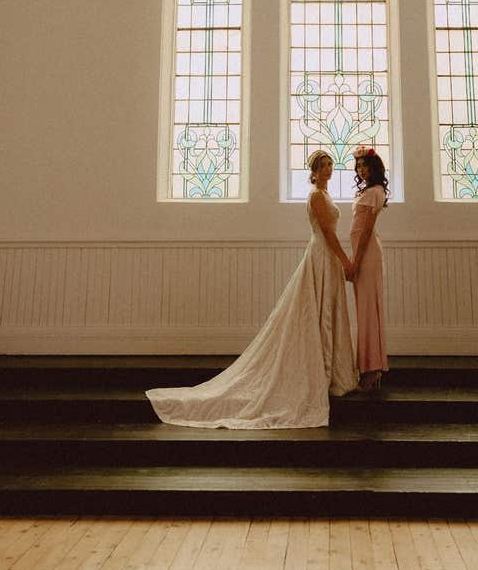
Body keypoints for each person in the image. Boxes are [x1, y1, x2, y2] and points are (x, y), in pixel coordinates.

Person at [146, 150, 357, 428]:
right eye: (323, 166)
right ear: (314, 171)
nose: (328, 169)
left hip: (325, 256)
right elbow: (328, 233)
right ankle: (320, 372)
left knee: (326, 311)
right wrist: (346, 261)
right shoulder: (317, 196)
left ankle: (330, 372)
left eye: (330, 164)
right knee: (317, 312)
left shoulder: (325, 195)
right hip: (321, 254)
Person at [350, 145, 389, 391]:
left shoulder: (375, 192)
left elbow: (365, 230)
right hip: (362, 253)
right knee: (364, 311)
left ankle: (372, 369)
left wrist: (356, 261)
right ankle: (368, 367)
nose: (362, 170)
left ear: (375, 168)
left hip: (367, 255)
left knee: (368, 312)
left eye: (366, 165)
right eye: (359, 166)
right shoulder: (367, 191)